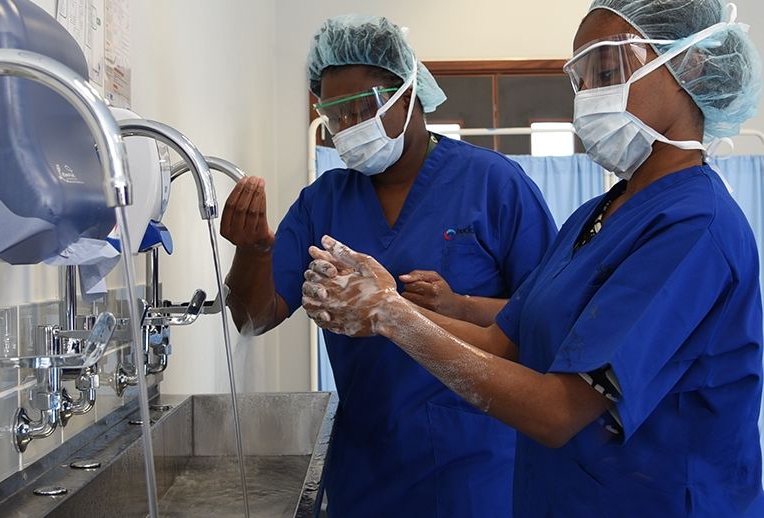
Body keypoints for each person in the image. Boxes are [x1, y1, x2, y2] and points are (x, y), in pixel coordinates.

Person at [301, 1, 764, 516]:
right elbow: (504, 341)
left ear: (690, 66)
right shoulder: (597, 215)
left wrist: (392, 315)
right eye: (581, 80)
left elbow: (558, 411)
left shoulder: (695, 226)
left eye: (607, 73)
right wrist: (387, 302)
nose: (588, 96)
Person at [219, 14, 557, 516]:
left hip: (479, 468)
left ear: (410, 93)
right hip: (369, 469)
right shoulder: (324, 201)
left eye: (364, 107)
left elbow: (548, 325)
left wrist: (458, 307)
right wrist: (253, 250)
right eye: (336, 116)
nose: (350, 127)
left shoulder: (496, 186)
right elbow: (254, 317)